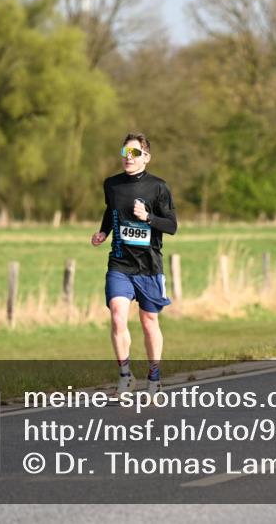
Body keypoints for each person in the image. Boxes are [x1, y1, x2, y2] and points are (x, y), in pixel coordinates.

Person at [91, 133, 178, 394]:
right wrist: (104, 232)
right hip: (120, 263)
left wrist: (148, 218)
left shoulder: (159, 187)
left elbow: (172, 226)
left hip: (149, 266)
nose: (129, 158)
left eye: (135, 153)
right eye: (125, 152)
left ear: (146, 157)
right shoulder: (112, 184)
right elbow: (111, 211)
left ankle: (154, 377)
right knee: (118, 318)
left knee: (149, 322)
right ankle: (126, 375)